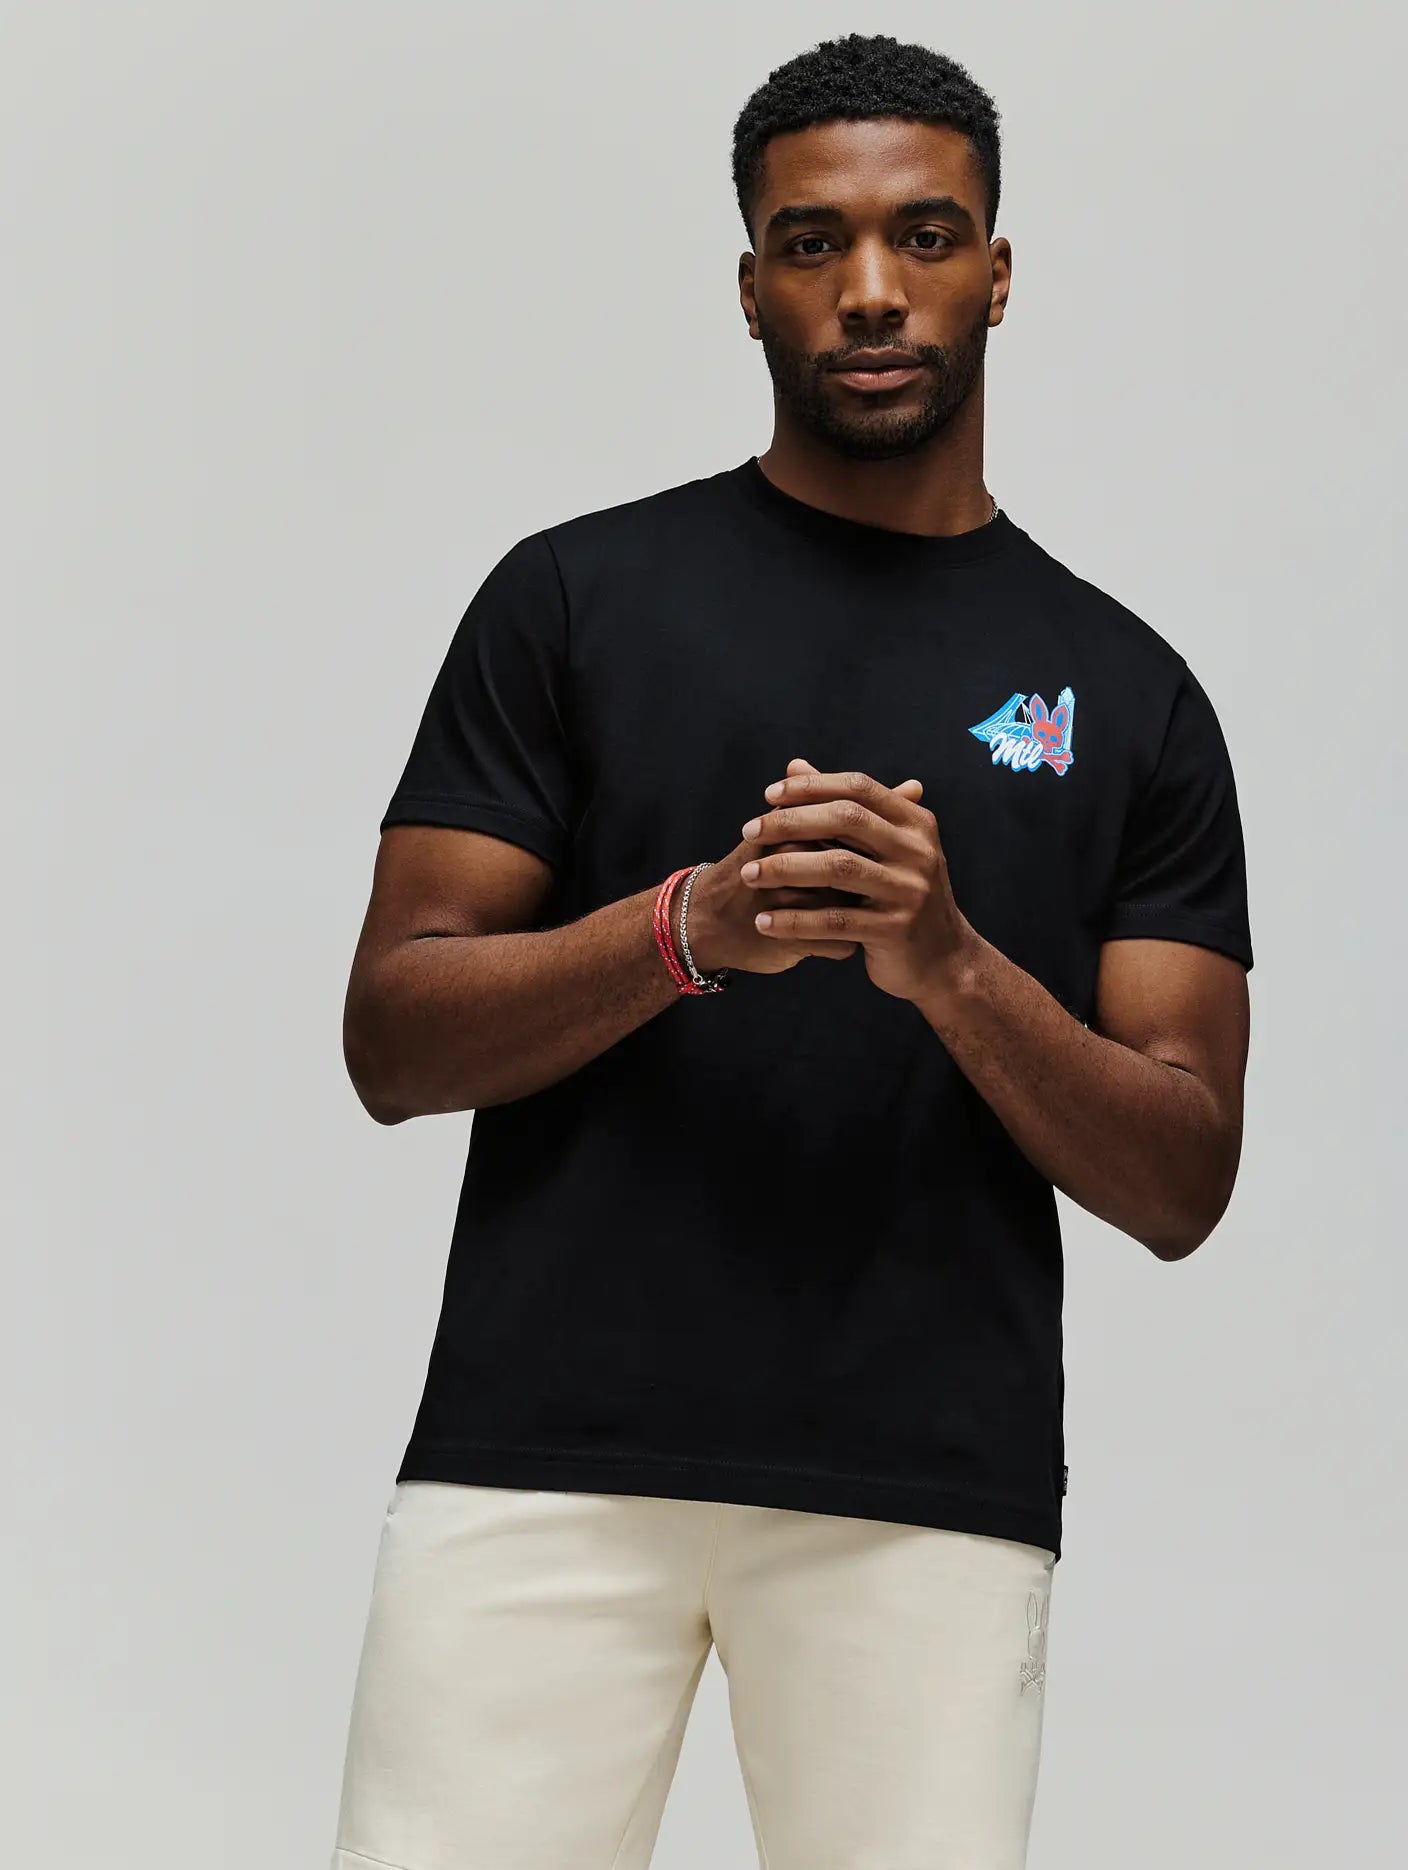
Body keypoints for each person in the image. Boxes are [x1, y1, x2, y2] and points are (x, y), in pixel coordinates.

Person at [328, 30, 1252, 1870]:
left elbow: (1183, 1176)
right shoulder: (573, 599)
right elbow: (392, 1036)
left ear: (1000, 270)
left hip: (924, 1489)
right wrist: (692, 925)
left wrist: (951, 963)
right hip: (540, 1457)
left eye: (926, 234)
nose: (873, 288)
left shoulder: (1131, 692)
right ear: (750, 283)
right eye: (814, 242)